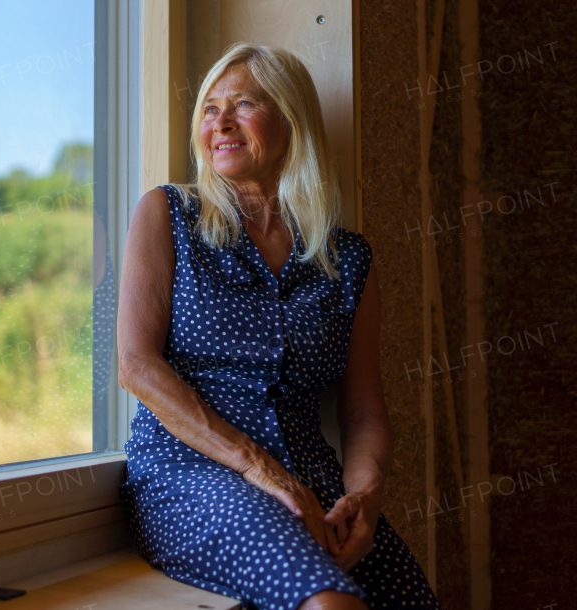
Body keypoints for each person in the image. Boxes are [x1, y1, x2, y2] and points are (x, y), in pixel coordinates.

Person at [117, 43, 439, 609]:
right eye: (210, 109)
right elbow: (137, 367)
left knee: (409, 599)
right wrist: (258, 469)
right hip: (197, 477)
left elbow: (363, 411)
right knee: (328, 603)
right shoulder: (166, 215)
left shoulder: (349, 259)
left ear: (292, 120)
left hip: (316, 489)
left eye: (242, 104)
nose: (220, 122)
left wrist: (365, 496)